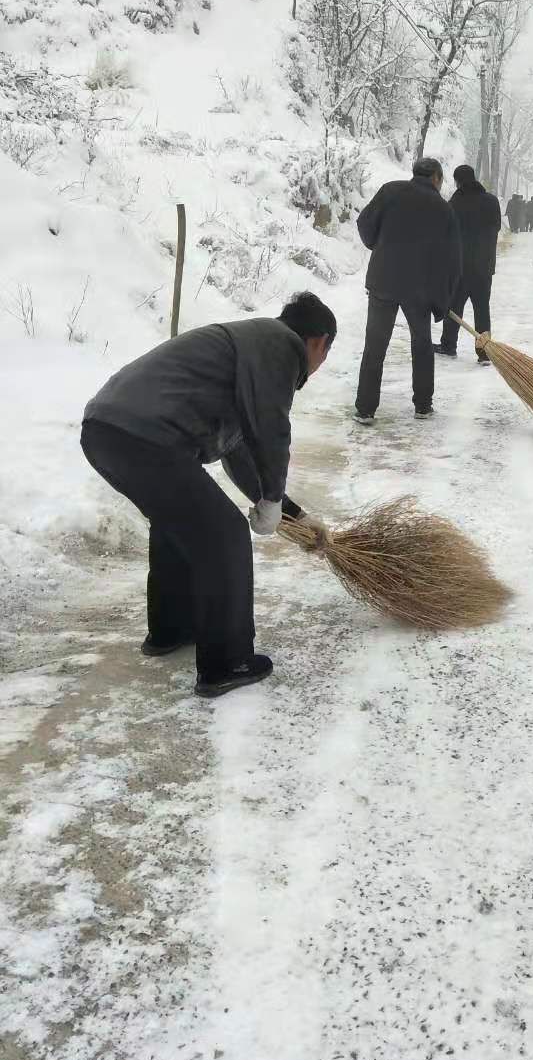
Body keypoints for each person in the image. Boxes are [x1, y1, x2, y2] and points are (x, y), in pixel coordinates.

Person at [79, 292, 337, 698]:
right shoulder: (280, 345)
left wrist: (287, 511)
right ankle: (226, 662)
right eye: (324, 355)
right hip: (145, 437)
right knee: (225, 535)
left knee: (178, 522)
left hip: (106, 431)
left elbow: (240, 451)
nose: (318, 366)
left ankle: (171, 629)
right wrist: (270, 497)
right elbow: (271, 429)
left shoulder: (247, 350)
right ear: (319, 342)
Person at [355, 157, 461, 423]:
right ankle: (423, 406)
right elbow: (452, 258)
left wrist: (378, 247)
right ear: (436, 178)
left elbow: (364, 223)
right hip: (420, 289)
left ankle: (366, 409)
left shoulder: (390, 191)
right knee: (422, 344)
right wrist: (443, 297)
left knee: (375, 345)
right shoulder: (443, 208)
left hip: (384, 280)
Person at [438, 165, 502, 364]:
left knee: (454, 307)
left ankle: (449, 345)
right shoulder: (491, 201)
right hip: (484, 266)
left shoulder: (454, 203)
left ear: (458, 181)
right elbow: (497, 226)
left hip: (460, 267)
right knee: (482, 308)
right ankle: (484, 352)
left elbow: (445, 233)